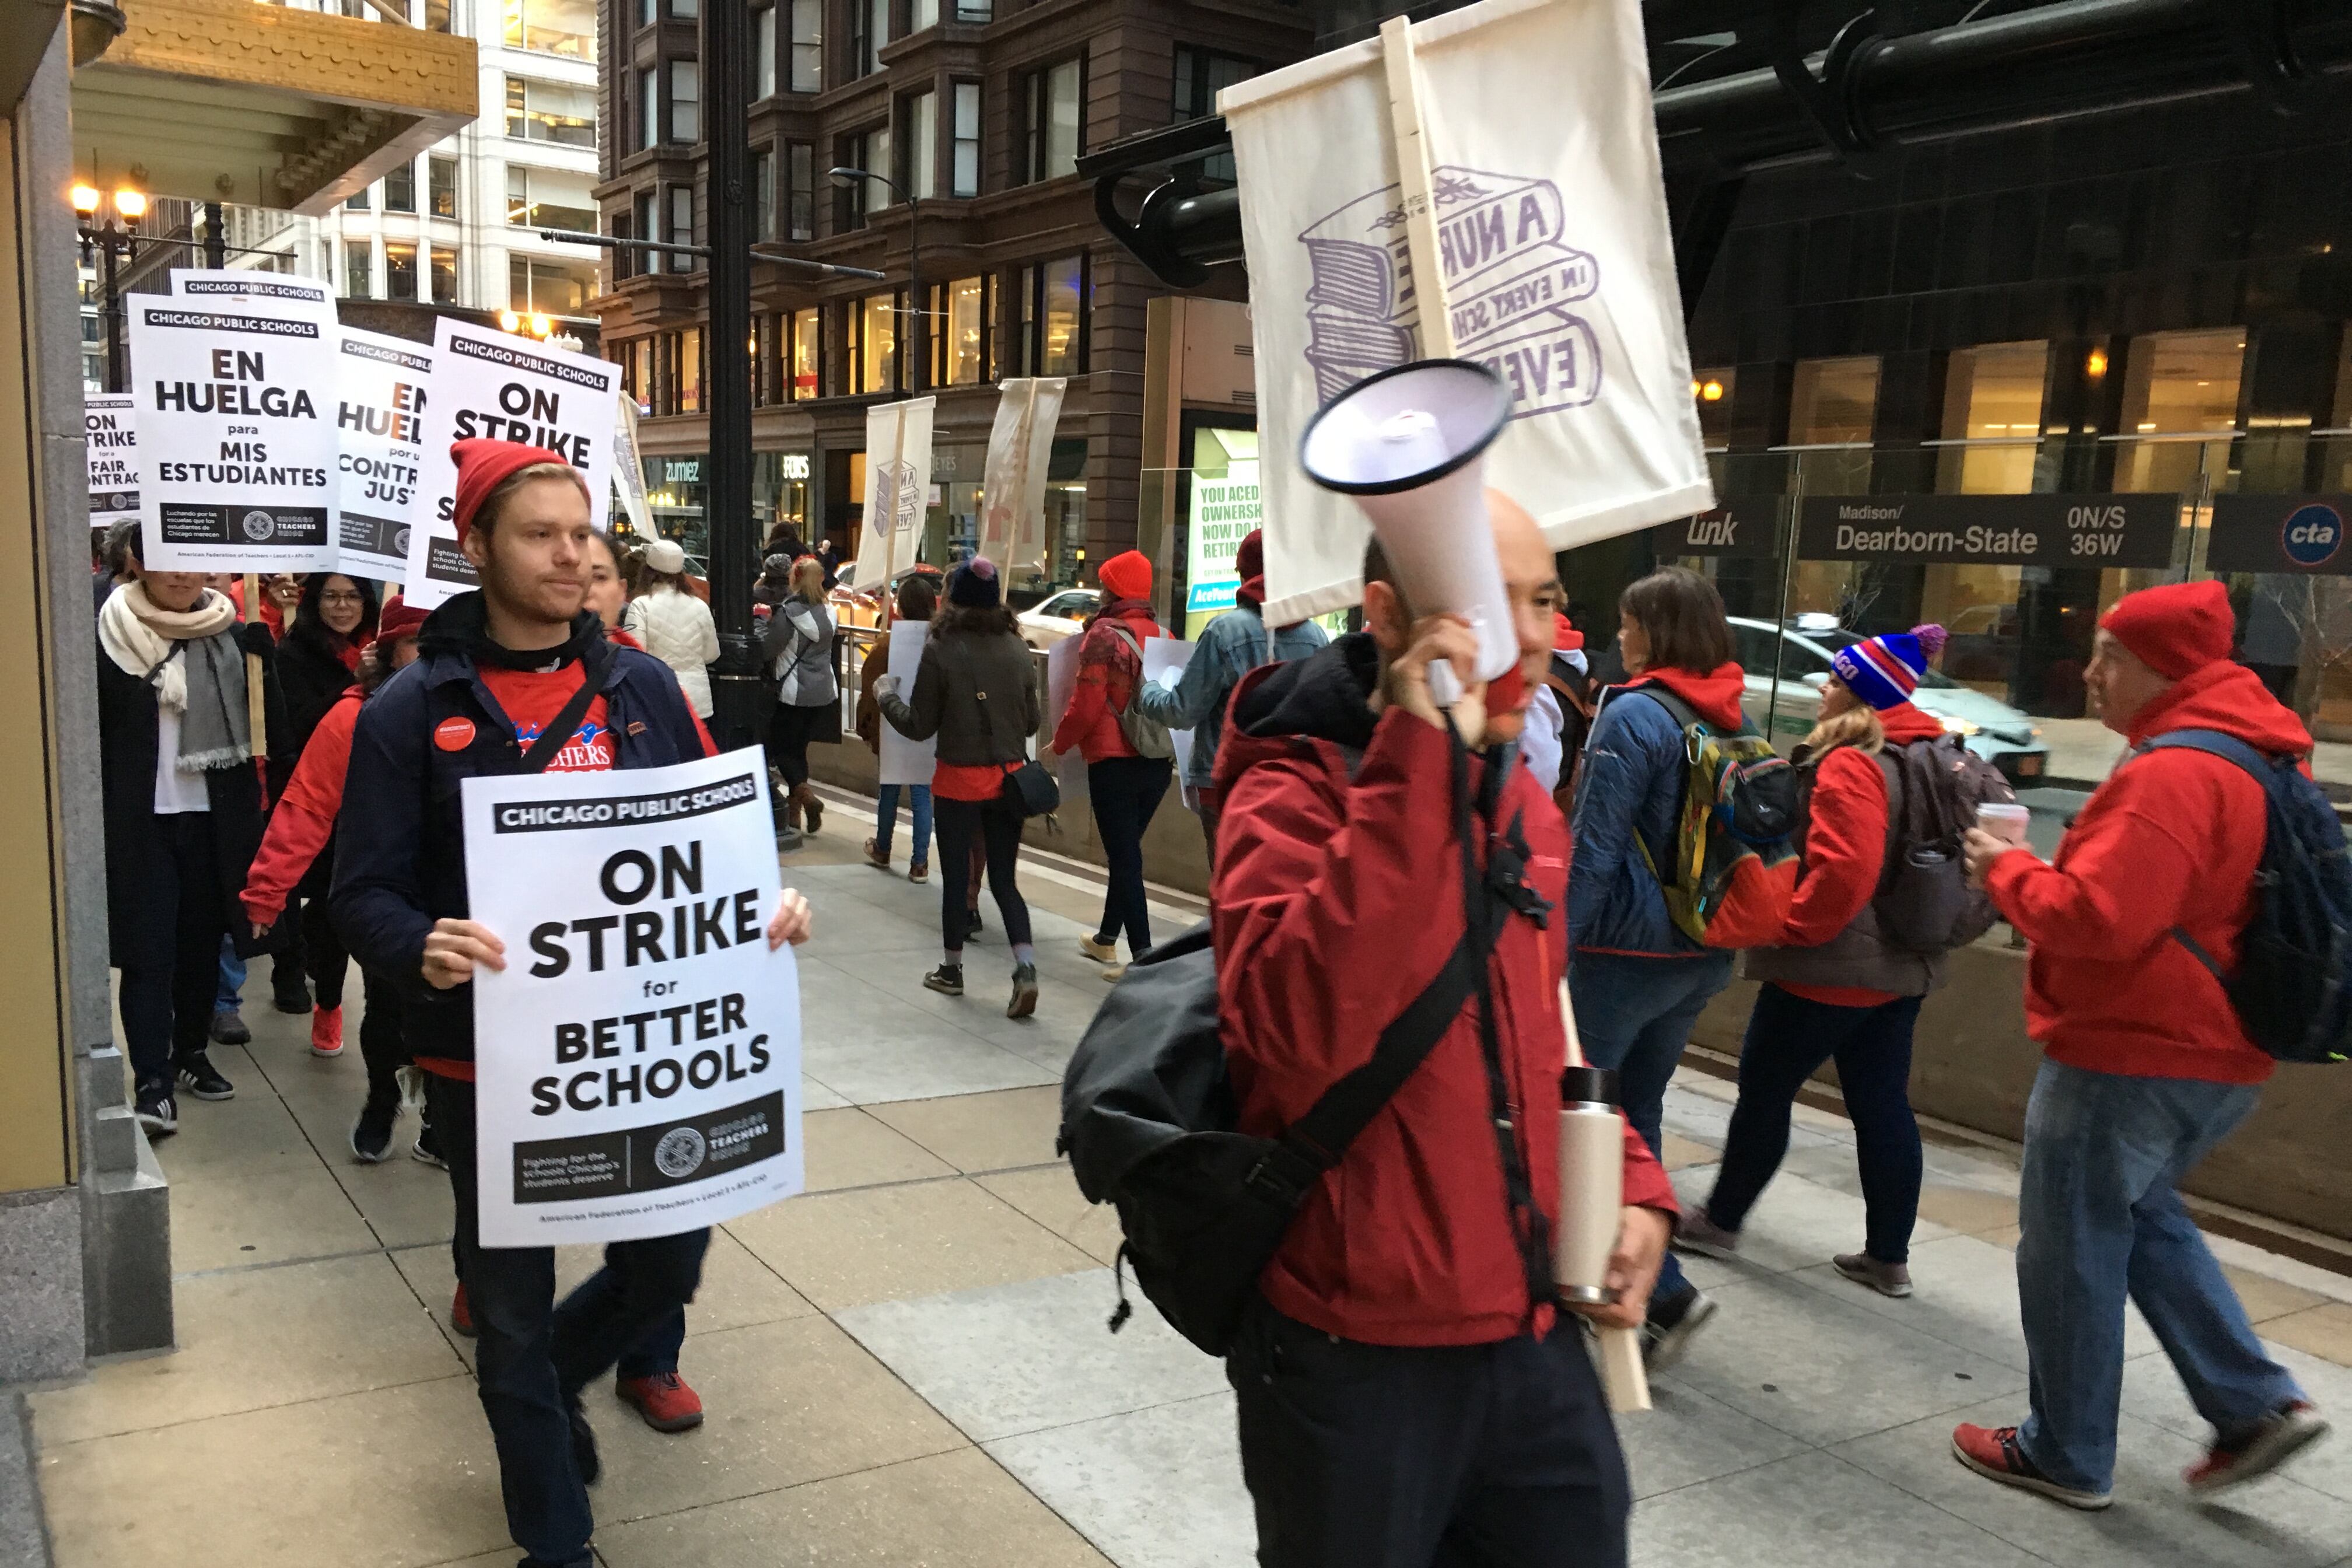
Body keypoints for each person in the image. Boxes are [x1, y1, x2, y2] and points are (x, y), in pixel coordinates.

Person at [332, 440, 813, 1568]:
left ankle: (554, 1376)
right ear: (477, 548)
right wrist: (420, 943)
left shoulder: (638, 681)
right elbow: (359, 891)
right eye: (539, 533)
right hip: (487, 1071)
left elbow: (705, 843)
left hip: (645, 1061)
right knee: (506, 1314)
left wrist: (765, 904)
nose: (568, 553)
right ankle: (558, 1540)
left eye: (581, 532)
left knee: (664, 1266)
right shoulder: (412, 708)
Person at [1212, 495, 1675, 1568]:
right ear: (1385, 613)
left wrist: (1635, 1184)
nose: (1524, 636)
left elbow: (1536, 1024)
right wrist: (1420, 761)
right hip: (1356, 1351)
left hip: (1532, 1329)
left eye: (1544, 598)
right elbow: (1294, 1030)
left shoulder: (1526, 802)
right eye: (1482, 603)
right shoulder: (1289, 792)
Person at [1950, 580, 2330, 1508]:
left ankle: (2066, 1450)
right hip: (2223, 1047)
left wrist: (2009, 870)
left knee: (2071, 1246)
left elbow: (2097, 920)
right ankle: (2253, 1405)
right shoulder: (2261, 757)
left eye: (2110, 655)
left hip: (2135, 1048)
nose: (2087, 672)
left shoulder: (2172, 773)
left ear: (2164, 666)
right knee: (2140, 1211)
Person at [1674, 627, 1956, 1300]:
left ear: (1858, 694)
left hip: (1828, 970)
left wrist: (1792, 929)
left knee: (1765, 1092)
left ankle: (1720, 1220)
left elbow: (1845, 870)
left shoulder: (1853, 762)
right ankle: (1889, 1256)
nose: (1822, 690)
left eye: (1833, 681)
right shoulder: (1927, 753)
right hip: (1901, 964)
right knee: (1883, 1104)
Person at [1566, 565, 1746, 1366]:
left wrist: (1552, 953)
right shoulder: (1725, 708)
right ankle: (1633, 1274)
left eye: (1631, 624)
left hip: (1619, 954)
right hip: (1699, 952)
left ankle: (1656, 1289)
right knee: (1637, 1114)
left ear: (1657, 631)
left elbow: (1594, 847)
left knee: (1584, 1118)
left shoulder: (1633, 713)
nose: (1621, 637)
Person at [96, 525, 281, 1133]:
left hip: (213, 821)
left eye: (194, 562)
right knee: (149, 954)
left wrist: (265, 666)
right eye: (167, 562)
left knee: (203, 945)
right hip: (140, 822)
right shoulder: (107, 632)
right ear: (137, 563)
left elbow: (270, 734)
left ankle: (191, 1054)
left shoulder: (232, 633)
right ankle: (151, 1075)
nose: (181, 575)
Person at [243, 594, 429, 1153]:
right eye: (419, 642)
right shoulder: (355, 716)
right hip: (385, 890)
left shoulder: (483, 706)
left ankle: (439, 1119)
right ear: (392, 649)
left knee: (447, 1015)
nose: (432, 656)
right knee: (388, 1005)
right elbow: (308, 803)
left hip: (461, 890)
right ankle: (381, 1101)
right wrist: (268, 890)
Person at [874, 556, 1041, 1018]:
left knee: (955, 881)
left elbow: (919, 725)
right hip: (1009, 783)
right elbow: (1032, 721)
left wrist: (886, 695)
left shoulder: (942, 648)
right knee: (1005, 881)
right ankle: (1025, 968)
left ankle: (951, 971)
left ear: (954, 599)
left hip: (958, 784)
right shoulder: (1018, 648)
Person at [1131, 528, 1328, 869]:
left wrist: (1147, 689)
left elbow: (1182, 711)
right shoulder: (1316, 638)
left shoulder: (1225, 631)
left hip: (1228, 784)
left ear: (1246, 573)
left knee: (1230, 883)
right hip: (1293, 785)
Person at [269, 572, 383, 1044]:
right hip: (321, 793)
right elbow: (295, 726)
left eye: (351, 596)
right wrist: (353, 687)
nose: (341, 607)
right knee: (327, 908)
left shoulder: (387, 648)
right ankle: (323, 997)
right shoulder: (295, 652)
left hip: (374, 798)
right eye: (331, 597)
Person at [1051, 550, 1170, 979]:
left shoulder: (1103, 635)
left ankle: (1142, 958)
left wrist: (1060, 742)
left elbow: (1087, 704)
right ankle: (1105, 940)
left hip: (1114, 761)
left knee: (1124, 858)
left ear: (1113, 588)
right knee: (1127, 854)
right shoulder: (1162, 631)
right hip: (1155, 760)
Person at [855, 573, 939, 880]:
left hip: (891, 725)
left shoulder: (886, 645)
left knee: (889, 788)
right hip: (928, 727)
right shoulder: (940, 642)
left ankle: (883, 847)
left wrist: (865, 727)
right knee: (921, 792)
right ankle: (920, 863)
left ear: (900, 607)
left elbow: (869, 691)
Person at [762, 555, 838, 835]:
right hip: (822, 692)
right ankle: (796, 814)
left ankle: (805, 795)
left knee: (781, 749)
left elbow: (770, 649)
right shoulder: (830, 613)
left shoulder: (788, 614)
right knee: (799, 749)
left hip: (793, 691)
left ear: (795, 579)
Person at [622, 537, 719, 720]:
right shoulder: (700, 606)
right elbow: (711, 654)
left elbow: (634, 655)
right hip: (698, 701)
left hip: (657, 696)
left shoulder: (640, 605)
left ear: (647, 570)